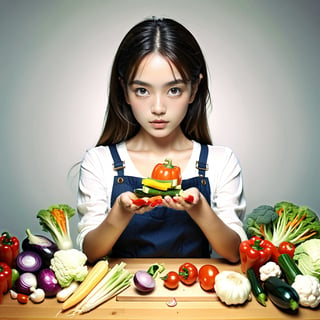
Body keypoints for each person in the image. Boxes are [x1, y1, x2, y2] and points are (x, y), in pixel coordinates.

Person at [77, 17, 247, 264]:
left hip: (195, 293)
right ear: (124, 90)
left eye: (174, 90)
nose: (158, 108)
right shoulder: (99, 161)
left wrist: (199, 208)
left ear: (194, 89)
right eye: (142, 90)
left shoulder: (221, 161)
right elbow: (89, 252)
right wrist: (120, 214)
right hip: (123, 297)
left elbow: (235, 252)